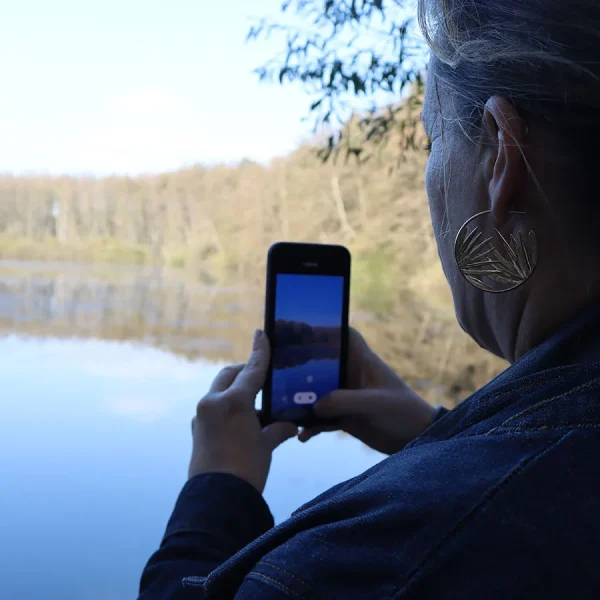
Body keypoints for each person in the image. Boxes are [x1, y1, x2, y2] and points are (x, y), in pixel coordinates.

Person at [139, 0, 600, 596]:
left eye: (433, 142)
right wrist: (435, 434)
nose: (430, 178)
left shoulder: (390, 553)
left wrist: (217, 487)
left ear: (500, 158)